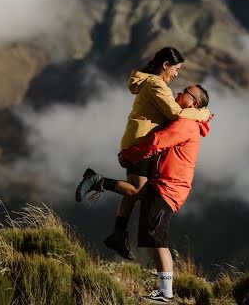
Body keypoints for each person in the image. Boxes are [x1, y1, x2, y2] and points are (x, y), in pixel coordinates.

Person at [75, 47, 211, 260]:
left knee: (136, 192)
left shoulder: (154, 84)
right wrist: (201, 113)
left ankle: (119, 234)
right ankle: (97, 181)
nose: (177, 74)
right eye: (176, 69)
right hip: (142, 142)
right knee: (138, 190)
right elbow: (175, 114)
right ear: (165, 65)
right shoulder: (158, 86)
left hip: (137, 139)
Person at [78, 83, 210, 303]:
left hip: (168, 188)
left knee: (157, 239)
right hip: (165, 185)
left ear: (193, 103)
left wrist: (131, 154)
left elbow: (158, 142)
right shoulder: (191, 120)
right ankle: (116, 230)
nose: (178, 93)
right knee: (141, 208)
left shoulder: (186, 124)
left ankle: (166, 293)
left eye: (184, 93)